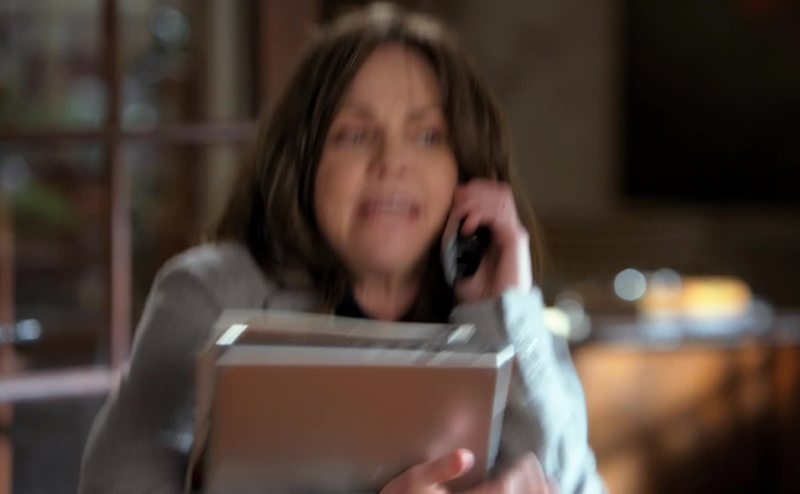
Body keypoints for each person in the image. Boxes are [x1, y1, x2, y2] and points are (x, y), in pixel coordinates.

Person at [79, 3, 605, 493]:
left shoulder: (507, 312)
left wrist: (508, 307)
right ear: (303, 160)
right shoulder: (207, 293)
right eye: (355, 135)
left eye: (427, 136)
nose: (392, 162)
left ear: (465, 168)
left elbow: (572, 481)